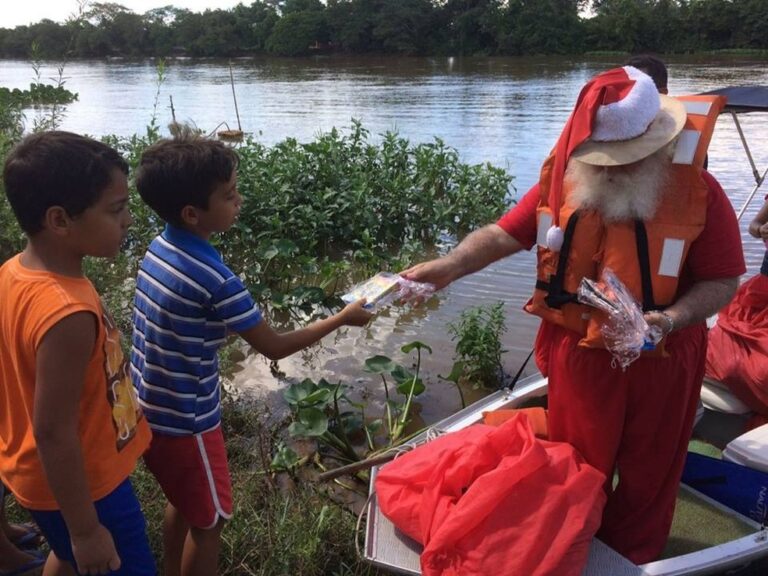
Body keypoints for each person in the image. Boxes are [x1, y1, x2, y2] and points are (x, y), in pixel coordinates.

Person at [403, 66, 744, 563]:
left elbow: (723, 282)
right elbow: (504, 234)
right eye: (602, 160)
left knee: (651, 473)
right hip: (581, 357)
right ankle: (570, 550)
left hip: (663, 354)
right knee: (576, 467)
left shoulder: (702, 195)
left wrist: (669, 318)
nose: (609, 171)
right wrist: (450, 266)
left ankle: (634, 557)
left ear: (658, 143)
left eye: (624, 161)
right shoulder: (563, 181)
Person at [130, 132, 373, 576]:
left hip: (150, 409)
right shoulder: (216, 279)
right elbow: (273, 346)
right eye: (229, 195)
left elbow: (175, 322)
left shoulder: (159, 247)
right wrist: (342, 318)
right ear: (192, 213)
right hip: (188, 423)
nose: (239, 200)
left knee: (183, 504)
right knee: (213, 522)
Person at [0, 132, 155, 575]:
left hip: (46, 478)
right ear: (59, 220)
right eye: (115, 209)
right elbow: (52, 431)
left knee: (68, 557)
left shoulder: (15, 272)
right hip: (88, 489)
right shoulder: (66, 312)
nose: (127, 220)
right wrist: (86, 529)